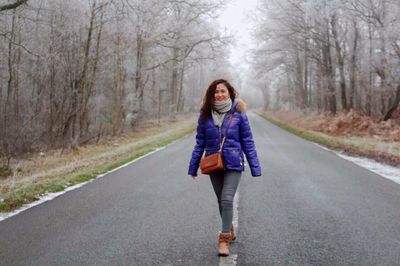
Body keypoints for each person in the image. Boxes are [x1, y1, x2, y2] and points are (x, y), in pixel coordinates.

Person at [188, 79, 261, 256]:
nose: (219, 94)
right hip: (214, 163)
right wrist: (193, 166)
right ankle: (229, 228)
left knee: (227, 199)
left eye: (223, 91)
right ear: (211, 94)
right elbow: (200, 142)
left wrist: (254, 166)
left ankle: (224, 239)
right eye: (216, 91)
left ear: (230, 93)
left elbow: (248, 141)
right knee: (221, 200)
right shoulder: (205, 114)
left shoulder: (239, 112)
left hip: (234, 162)